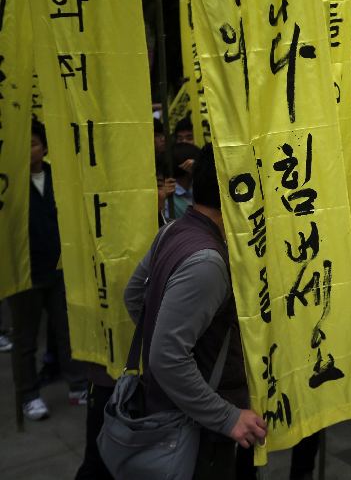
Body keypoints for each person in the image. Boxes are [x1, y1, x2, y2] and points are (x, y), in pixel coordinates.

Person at [124, 144, 266, 478]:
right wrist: (226, 416)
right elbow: (167, 356)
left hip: (178, 405)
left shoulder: (174, 229)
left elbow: (134, 296)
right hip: (196, 422)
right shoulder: (207, 260)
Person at [8, 119, 87, 421]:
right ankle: (28, 395)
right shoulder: (10, 185)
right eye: (24, 145)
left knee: (68, 328)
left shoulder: (57, 176)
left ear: (44, 147)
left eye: (34, 144)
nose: (30, 151)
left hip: (60, 266)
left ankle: (77, 384)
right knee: (25, 337)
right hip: (23, 271)